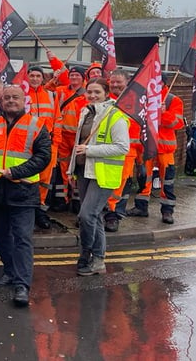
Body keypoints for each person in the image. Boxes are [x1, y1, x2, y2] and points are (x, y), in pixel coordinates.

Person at [0, 85, 51, 307]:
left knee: (22, 239)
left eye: (15, 97)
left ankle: (22, 285)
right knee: (0, 234)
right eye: (6, 97)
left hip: (23, 190)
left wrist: (16, 172)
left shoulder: (36, 125)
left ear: (23, 100)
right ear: (1, 101)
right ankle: (9, 272)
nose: (10, 101)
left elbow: (43, 157)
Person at [68, 78, 129, 276]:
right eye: (89, 92)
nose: (92, 96)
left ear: (106, 94)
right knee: (94, 217)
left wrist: (91, 150)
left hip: (102, 175)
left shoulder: (115, 115)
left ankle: (87, 253)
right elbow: (77, 144)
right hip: (84, 171)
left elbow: (122, 147)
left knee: (86, 215)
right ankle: (98, 260)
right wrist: (71, 170)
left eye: (97, 92)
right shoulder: (85, 112)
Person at [127, 76, 184, 224]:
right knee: (144, 179)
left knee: (167, 181)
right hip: (145, 147)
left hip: (164, 149)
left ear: (163, 83)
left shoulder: (172, 100)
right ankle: (141, 207)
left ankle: (167, 211)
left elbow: (177, 123)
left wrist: (162, 113)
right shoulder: (141, 99)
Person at [104, 69, 142, 232]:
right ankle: (102, 214)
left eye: (118, 82)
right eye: (112, 82)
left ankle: (114, 216)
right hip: (105, 151)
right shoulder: (104, 100)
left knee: (119, 186)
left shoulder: (136, 102)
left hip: (127, 153)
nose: (115, 85)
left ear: (128, 82)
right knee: (103, 184)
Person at [26, 66, 60, 230]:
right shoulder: (23, 95)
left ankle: (40, 210)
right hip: (28, 143)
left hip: (48, 143)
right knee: (30, 177)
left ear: (42, 78)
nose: (34, 78)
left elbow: (57, 119)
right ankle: (29, 210)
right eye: (31, 75)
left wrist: (56, 143)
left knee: (45, 180)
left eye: (38, 76)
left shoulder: (52, 95)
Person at [51, 66, 87, 212]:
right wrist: (53, 80)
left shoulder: (87, 93)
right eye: (72, 75)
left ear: (83, 78)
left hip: (80, 137)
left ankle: (77, 200)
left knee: (78, 169)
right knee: (64, 168)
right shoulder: (61, 91)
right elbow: (47, 92)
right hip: (64, 136)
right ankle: (63, 198)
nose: (74, 77)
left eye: (77, 75)